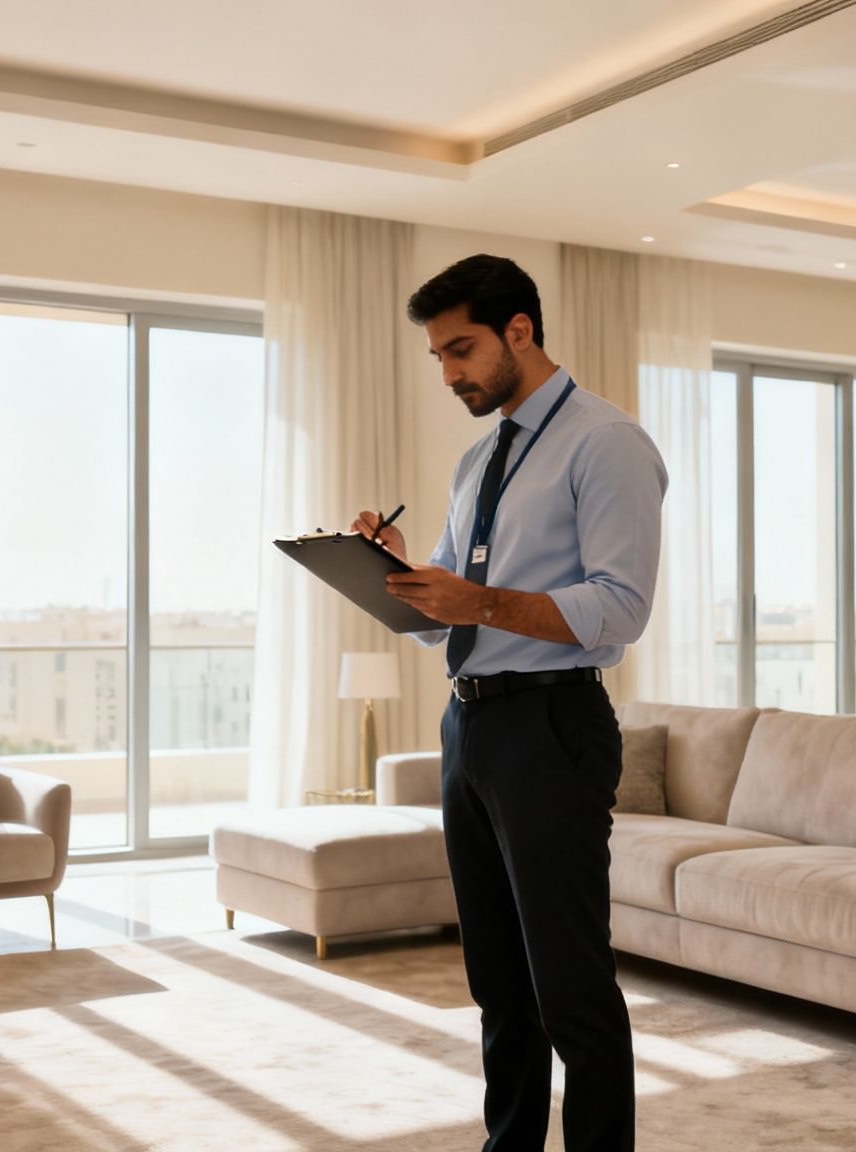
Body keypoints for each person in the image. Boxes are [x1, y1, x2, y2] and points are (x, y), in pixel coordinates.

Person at [354, 254, 666, 1151]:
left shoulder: (607, 444)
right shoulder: (477, 459)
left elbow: (622, 606)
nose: (450, 373)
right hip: (471, 724)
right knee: (498, 980)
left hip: (553, 726)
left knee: (569, 983)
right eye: (439, 358)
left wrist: (479, 601)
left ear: (519, 331)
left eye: (461, 351)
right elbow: (446, 619)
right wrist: (399, 574)